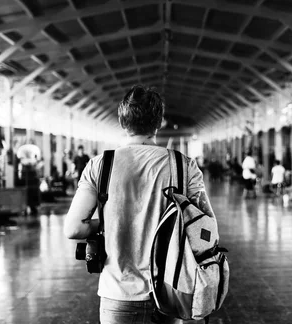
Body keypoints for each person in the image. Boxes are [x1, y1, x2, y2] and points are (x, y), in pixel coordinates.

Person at [64, 85, 215, 324]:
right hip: (169, 293)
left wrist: (105, 221)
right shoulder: (184, 166)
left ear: (122, 123)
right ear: (159, 123)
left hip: (118, 295)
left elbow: (74, 228)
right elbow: (205, 228)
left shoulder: (100, 165)